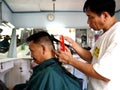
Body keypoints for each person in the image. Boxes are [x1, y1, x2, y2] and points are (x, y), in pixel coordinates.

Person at [55, 0, 120, 90]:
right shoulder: (105, 33)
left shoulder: (117, 34)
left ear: (104, 16)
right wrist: (73, 44)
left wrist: (70, 60)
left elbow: (103, 73)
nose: (88, 22)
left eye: (91, 17)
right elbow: (91, 57)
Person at [11, 31, 82, 90]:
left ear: (43, 48)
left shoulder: (48, 72)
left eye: (32, 51)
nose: (31, 56)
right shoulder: (52, 69)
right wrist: (16, 88)